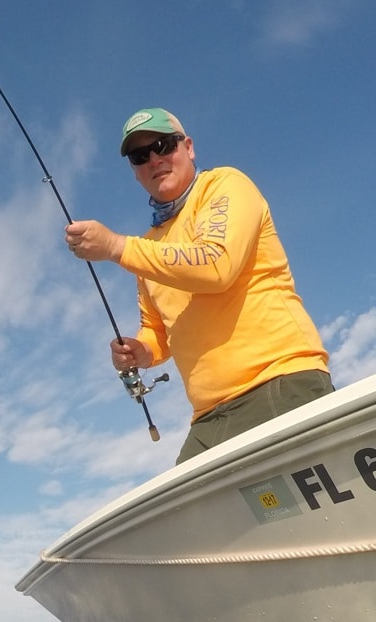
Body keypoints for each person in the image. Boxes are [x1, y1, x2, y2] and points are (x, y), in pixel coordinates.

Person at [64, 108, 332, 464]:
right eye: (140, 155)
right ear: (134, 170)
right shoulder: (149, 247)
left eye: (163, 145)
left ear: (188, 147)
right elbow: (157, 330)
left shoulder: (225, 185)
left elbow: (216, 263)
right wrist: (140, 352)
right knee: (186, 516)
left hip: (279, 382)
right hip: (208, 419)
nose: (155, 159)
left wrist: (115, 247)